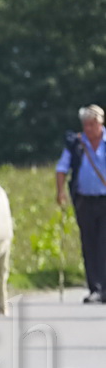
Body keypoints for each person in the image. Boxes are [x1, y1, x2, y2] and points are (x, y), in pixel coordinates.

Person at [57, 104, 106, 303]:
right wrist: (60, 192)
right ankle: (95, 288)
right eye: (86, 124)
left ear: (101, 123)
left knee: (104, 243)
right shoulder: (76, 144)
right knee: (89, 243)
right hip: (84, 200)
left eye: (92, 124)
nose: (88, 128)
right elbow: (61, 168)